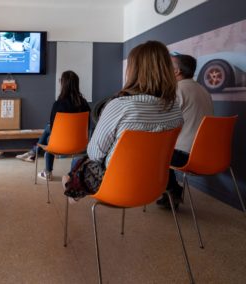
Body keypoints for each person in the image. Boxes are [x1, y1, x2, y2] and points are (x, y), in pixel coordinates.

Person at [63, 41, 184, 201]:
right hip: (155, 182)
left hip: (116, 184)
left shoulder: (120, 106)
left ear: (133, 71)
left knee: (75, 167)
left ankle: (71, 189)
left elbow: (94, 153)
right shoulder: (174, 108)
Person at [156, 53, 214, 209]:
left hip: (185, 156)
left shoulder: (175, 90)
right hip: (208, 155)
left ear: (176, 72)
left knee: (153, 153)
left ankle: (172, 191)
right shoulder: (204, 91)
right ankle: (172, 190)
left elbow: (160, 123)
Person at [16, 70, 91, 180]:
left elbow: (53, 128)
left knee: (48, 134)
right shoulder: (84, 104)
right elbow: (87, 127)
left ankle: (44, 166)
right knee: (48, 128)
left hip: (60, 144)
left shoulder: (58, 104)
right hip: (79, 144)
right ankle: (33, 153)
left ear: (63, 84)